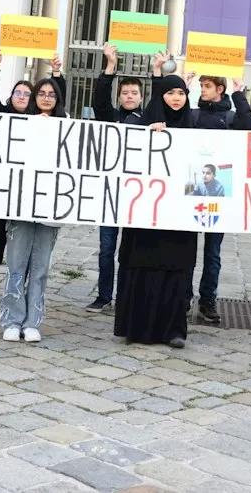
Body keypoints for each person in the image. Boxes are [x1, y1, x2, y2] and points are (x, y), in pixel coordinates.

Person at [0, 49, 66, 304]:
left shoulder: (43, 119)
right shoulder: (1, 114)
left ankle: (23, 284)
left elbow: (59, 99)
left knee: (27, 240)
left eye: (28, 94)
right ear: (11, 95)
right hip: (3, 186)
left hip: (30, 189)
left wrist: (56, 73)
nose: (23, 97)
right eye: (19, 92)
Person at [115, 74, 197, 348]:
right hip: (146, 214)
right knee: (144, 268)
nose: (176, 98)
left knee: (176, 272)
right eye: (171, 92)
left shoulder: (194, 126)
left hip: (179, 217)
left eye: (181, 93)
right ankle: (139, 328)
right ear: (160, 95)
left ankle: (174, 330)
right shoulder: (140, 124)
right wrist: (147, 136)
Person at [184, 61, 251, 326]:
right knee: (187, 250)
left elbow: (249, 126)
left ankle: (208, 299)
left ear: (220, 89)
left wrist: (240, 94)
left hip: (219, 196)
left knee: (213, 253)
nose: (202, 90)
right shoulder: (193, 115)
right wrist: (183, 83)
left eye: (207, 86)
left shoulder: (230, 117)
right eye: (201, 86)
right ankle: (184, 297)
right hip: (192, 192)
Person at [0, 77, 66, 343]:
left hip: (49, 206)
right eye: (42, 93)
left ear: (58, 99)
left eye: (52, 94)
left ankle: (33, 321)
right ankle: (12, 319)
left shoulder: (66, 127)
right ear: (34, 97)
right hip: (22, 204)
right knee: (16, 265)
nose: (47, 98)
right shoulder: (18, 125)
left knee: (40, 268)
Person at [87, 43, 151, 314]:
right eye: (124, 92)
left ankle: (127, 295)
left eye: (134, 93)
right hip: (109, 195)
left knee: (131, 252)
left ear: (141, 96)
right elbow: (99, 100)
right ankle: (104, 296)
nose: (129, 96)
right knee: (106, 250)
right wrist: (109, 67)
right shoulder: (110, 116)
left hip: (136, 195)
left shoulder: (149, 119)